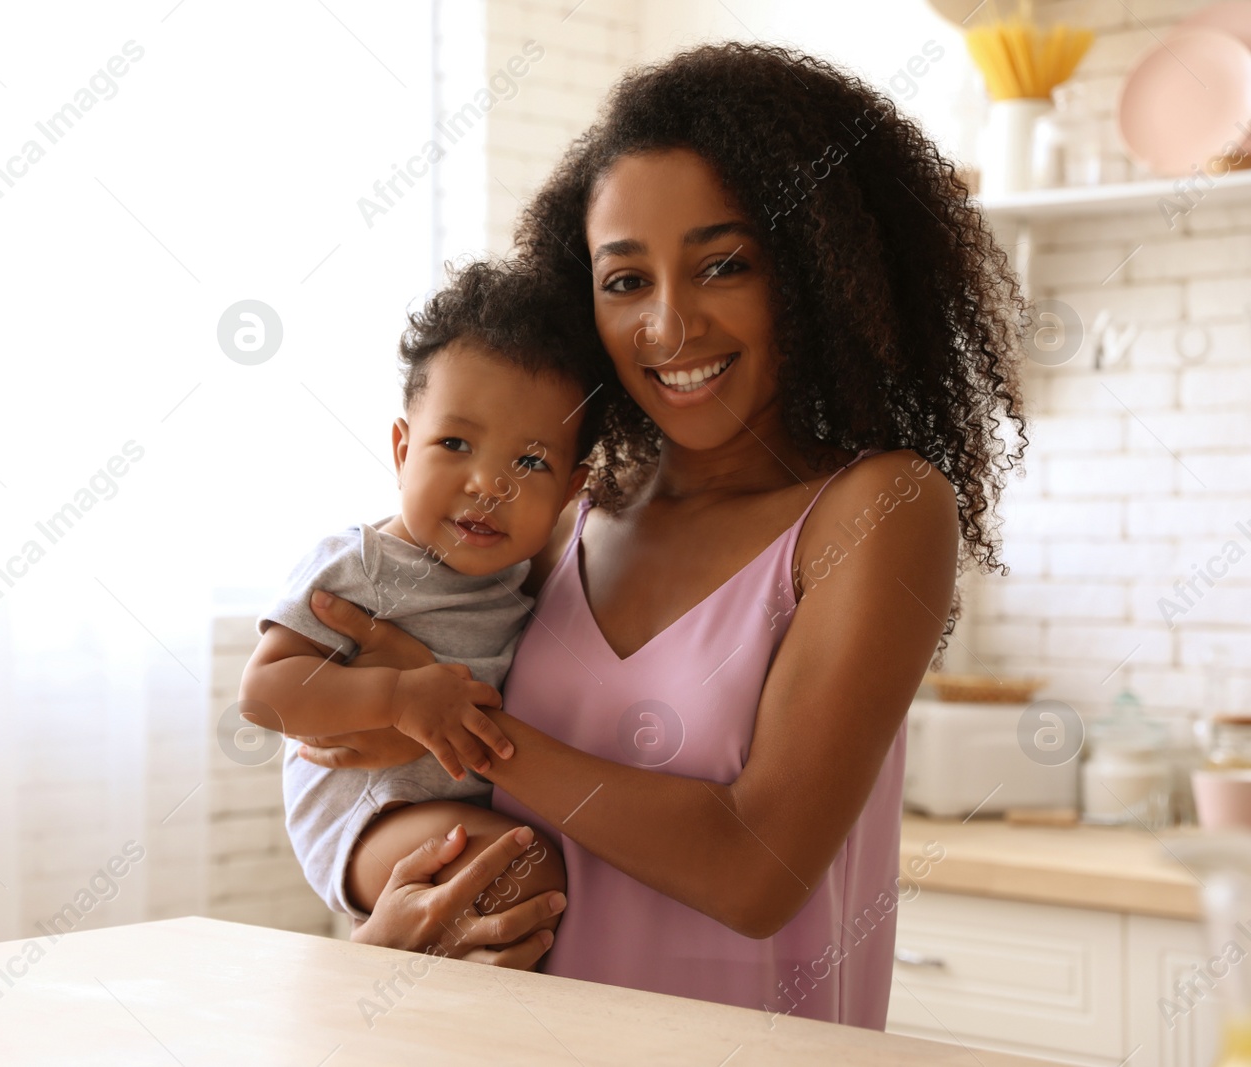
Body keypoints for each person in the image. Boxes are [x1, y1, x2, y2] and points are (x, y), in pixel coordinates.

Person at [289, 41, 1027, 1025]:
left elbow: (753, 868)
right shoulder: (561, 511)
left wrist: (462, 722)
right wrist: (385, 927)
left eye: (722, 265)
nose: (670, 326)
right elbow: (374, 774)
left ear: (816, 271)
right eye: (625, 280)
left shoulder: (879, 510)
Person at [239, 259, 605, 956]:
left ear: (568, 490)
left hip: (458, 803)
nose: (488, 485)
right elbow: (263, 695)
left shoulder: (525, 578)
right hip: (370, 812)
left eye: (530, 463)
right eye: (455, 444)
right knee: (526, 870)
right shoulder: (361, 564)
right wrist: (399, 695)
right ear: (403, 448)